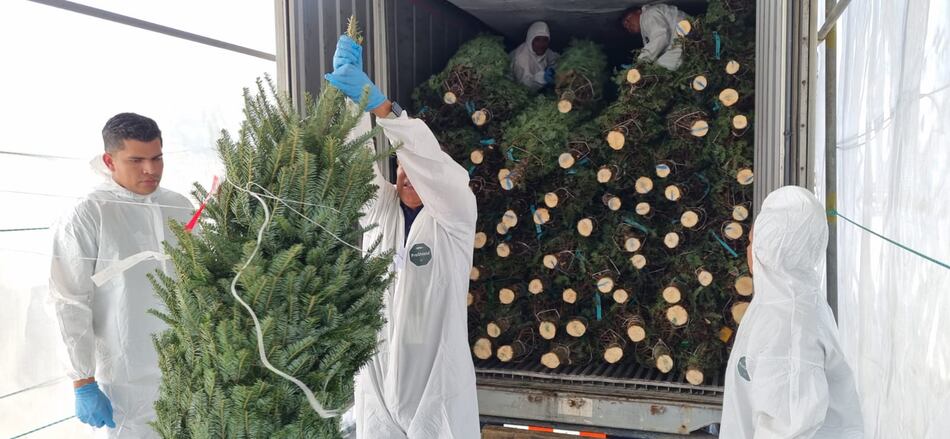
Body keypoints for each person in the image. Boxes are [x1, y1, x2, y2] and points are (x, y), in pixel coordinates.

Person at [325, 35, 480, 438]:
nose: (406, 175)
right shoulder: (381, 210)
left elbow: (428, 161)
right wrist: (351, 100)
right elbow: (354, 162)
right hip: (378, 370)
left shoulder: (454, 219)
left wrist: (383, 108)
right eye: (399, 167)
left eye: (416, 169)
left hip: (434, 382)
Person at [49, 113, 193, 437]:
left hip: (189, 369)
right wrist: (82, 381)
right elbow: (68, 299)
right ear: (109, 161)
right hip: (125, 380)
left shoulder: (179, 206)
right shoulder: (88, 213)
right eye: (137, 160)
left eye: (157, 158)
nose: (151, 170)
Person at [720, 186, 864, 438]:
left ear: (770, 248)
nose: (748, 248)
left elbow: (788, 430)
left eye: (754, 241)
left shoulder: (788, 328)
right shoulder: (787, 300)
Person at [621, 4, 689, 70]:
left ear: (639, 11)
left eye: (628, 19)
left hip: (686, 42)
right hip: (683, 46)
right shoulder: (646, 27)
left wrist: (640, 62)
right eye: (625, 26)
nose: (628, 25)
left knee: (656, 68)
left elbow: (661, 37)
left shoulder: (648, 14)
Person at [510, 21, 560, 91]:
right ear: (530, 39)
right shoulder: (520, 58)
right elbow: (523, 87)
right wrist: (542, 78)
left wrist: (554, 69)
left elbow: (555, 59)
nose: (541, 44)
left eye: (545, 40)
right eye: (537, 39)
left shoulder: (544, 51)